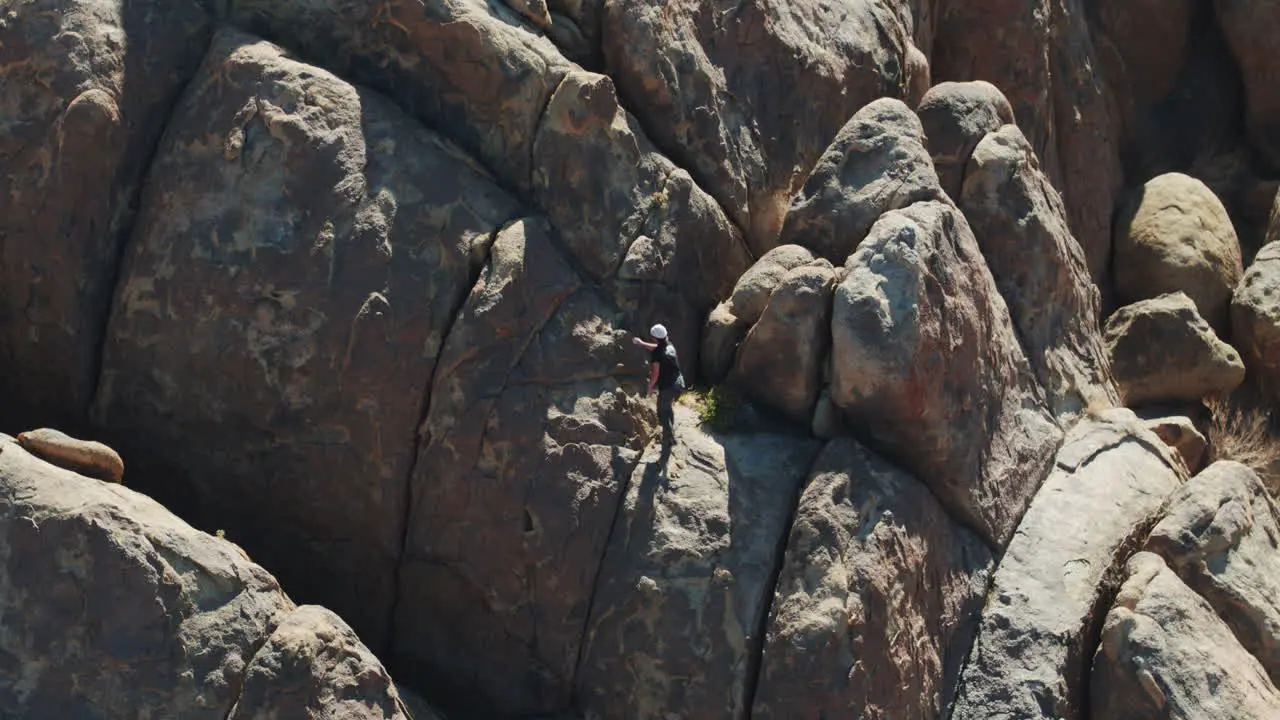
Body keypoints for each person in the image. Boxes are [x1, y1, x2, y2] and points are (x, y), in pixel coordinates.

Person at [632, 323, 685, 446]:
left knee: (662, 412)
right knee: (667, 407)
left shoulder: (657, 354)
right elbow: (657, 348)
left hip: (668, 386)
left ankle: (669, 439)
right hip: (679, 382)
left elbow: (655, 373)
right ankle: (671, 431)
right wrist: (642, 343)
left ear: (655, 338)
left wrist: (650, 388)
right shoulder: (669, 345)